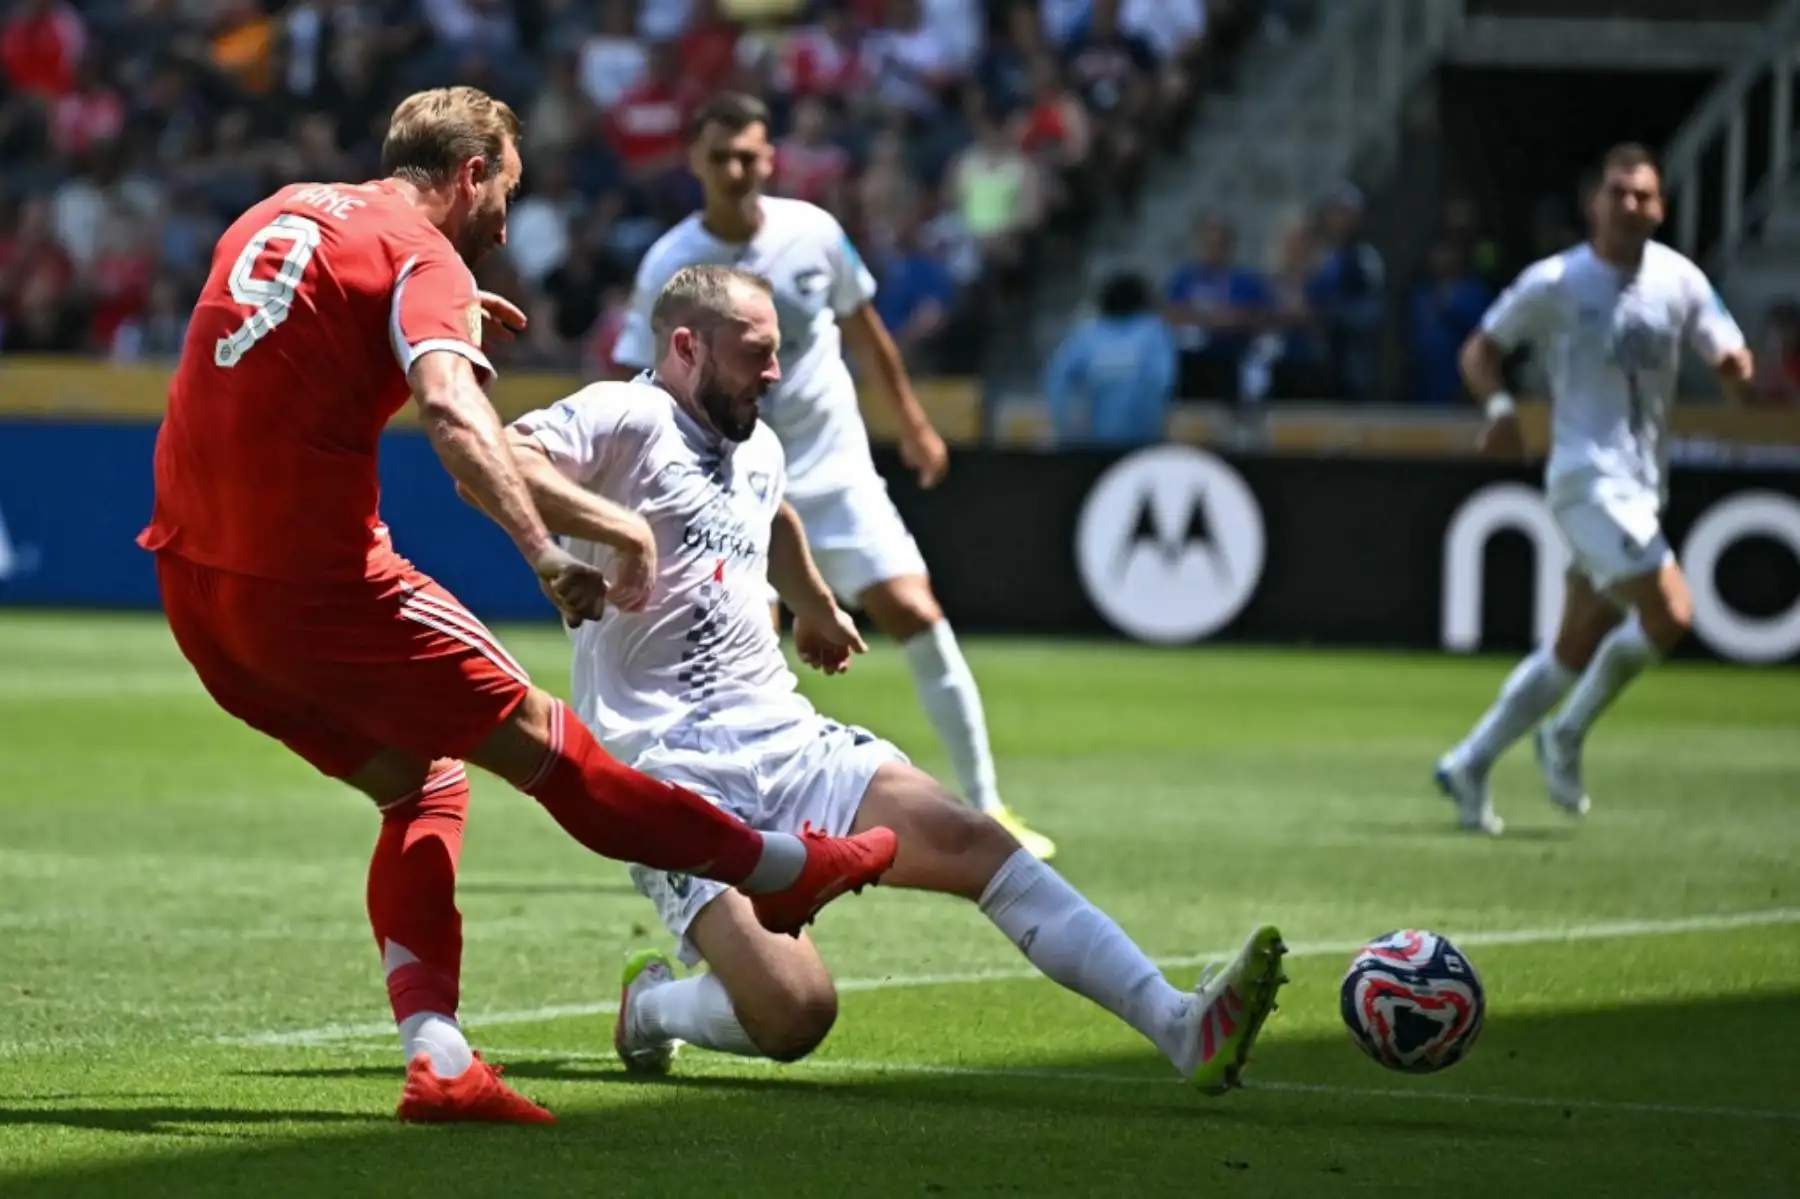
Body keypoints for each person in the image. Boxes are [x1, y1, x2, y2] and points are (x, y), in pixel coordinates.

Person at [137, 86, 898, 1124]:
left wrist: (419, 324)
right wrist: (547, 548)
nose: (504, 223)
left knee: (422, 787)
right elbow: (455, 417)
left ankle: (440, 1057)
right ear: (470, 174)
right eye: (505, 193)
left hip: (194, 586)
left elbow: (279, 349)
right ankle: (780, 867)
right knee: (556, 749)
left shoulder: (279, 210)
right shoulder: (425, 257)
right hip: (316, 587)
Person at [507, 265, 1288, 1093]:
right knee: (795, 1012)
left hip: (784, 737)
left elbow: (774, 515)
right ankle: (652, 1009)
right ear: (686, 346)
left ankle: (1178, 1023)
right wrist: (612, 530)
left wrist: (814, 604)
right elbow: (508, 455)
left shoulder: (756, 444)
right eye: (756, 353)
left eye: (779, 352)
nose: (774, 372)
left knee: (978, 842)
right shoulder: (625, 413)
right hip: (668, 769)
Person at [610, 91, 1058, 861]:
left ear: (770, 157)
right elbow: (637, 376)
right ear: (695, 163)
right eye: (720, 157)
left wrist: (912, 423)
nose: (736, 170)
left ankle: (988, 807)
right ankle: (747, 828)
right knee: (747, 647)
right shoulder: (668, 263)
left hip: (834, 466)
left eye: (748, 155)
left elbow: (867, 331)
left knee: (914, 609)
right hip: (732, 481)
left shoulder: (813, 233)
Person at [1434, 143, 1754, 835]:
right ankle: (1567, 732)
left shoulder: (1679, 279)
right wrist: (1501, 410)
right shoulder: (1556, 282)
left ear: (1661, 207)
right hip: (1586, 477)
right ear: (1594, 203)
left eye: (1644, 195)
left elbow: (1730, 355)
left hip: (1643, 483)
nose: (1630, 205)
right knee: (1671, 612)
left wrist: (1736, 369)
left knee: (1573, 647)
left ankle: (1470, 762)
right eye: (1618, 192)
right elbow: (1480, 351)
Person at [1044, 271, 1176, 446]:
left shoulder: (1088, 335)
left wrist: (1066, 428)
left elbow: (1057, 382)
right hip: (1117, 441)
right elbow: (1164, 383)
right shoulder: (1153, 333)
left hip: (1119, 441)